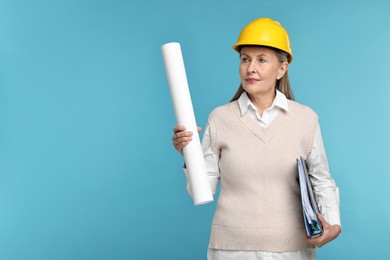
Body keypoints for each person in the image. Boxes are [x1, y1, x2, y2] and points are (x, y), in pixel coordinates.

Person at [172, 17, 341, 260]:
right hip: (230, 250)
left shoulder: (305, 119)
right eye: (245, 59)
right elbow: (203, 189)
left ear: (282, 68)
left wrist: (333, 223)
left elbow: (321, 180)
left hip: (292, 251)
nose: (251, 68)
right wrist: (189, 155)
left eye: (262, 60)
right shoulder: (220, 118)